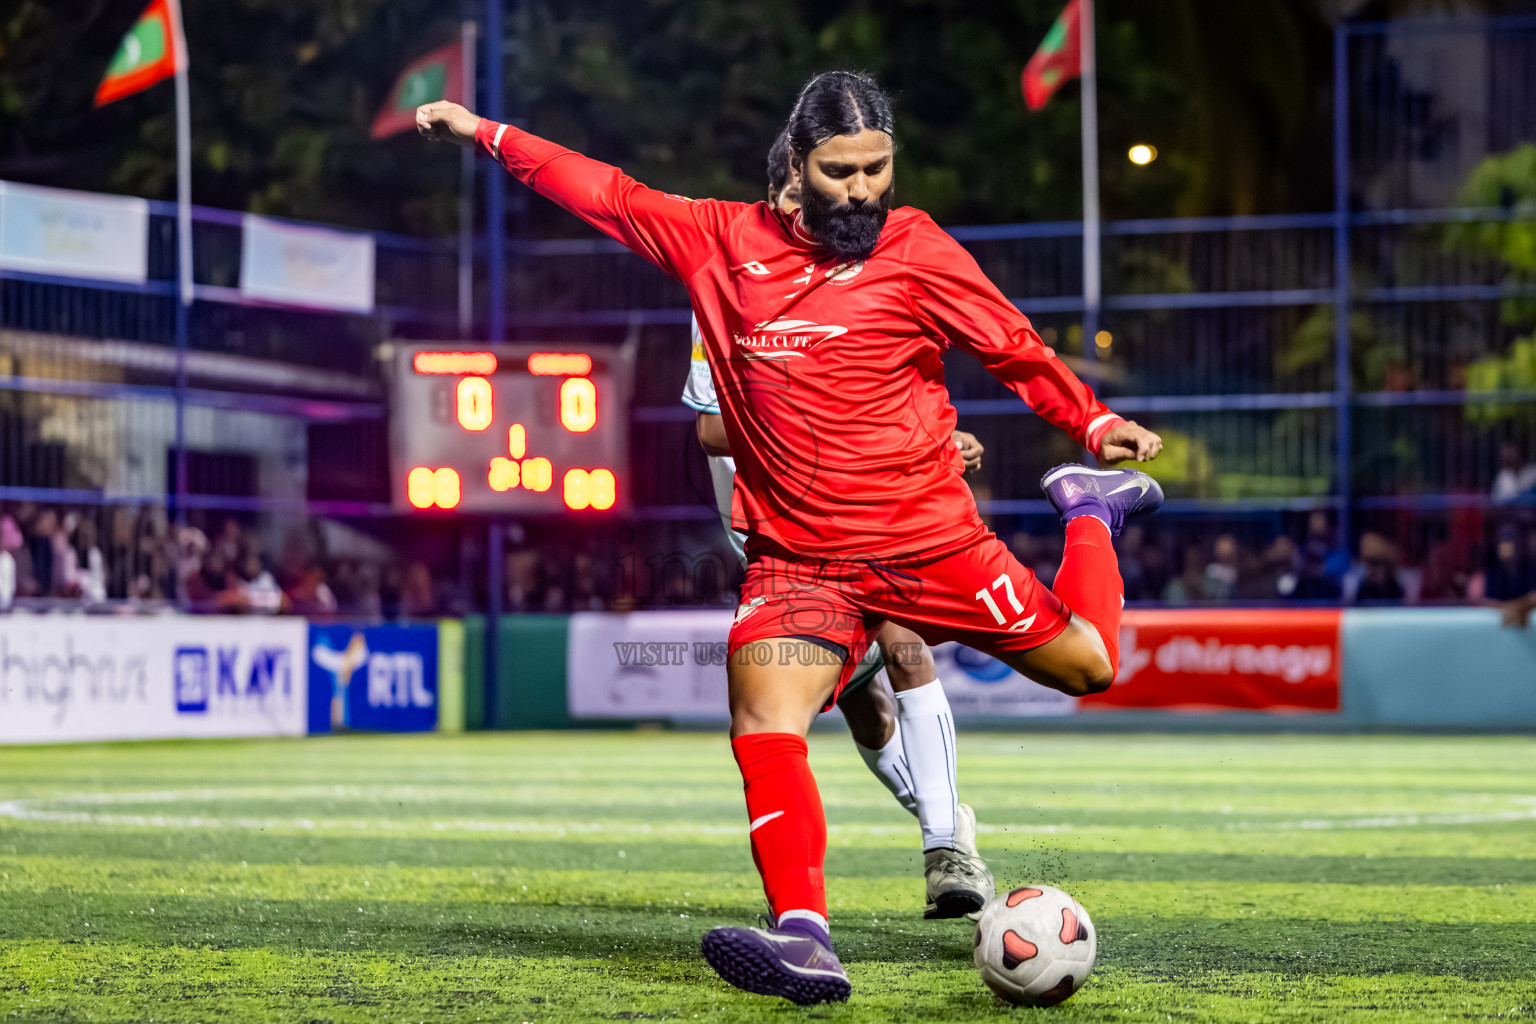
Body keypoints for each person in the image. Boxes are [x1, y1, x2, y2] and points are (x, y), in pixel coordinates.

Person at [418, 69, 1163, 1005]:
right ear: (797, 165)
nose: (862, 189)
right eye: (841, 170)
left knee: (1089, 668)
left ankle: (1089, 507)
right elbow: (599, 187)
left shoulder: (917, 245)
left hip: (931, 542)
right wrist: (484, 131)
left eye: (876, 168)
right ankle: (805, 937)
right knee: (764, 721)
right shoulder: (718, 241)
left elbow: (1010, 345)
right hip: (800, 562)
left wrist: (1092, 424)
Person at [681, 129, 994, 921]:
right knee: (867, 707)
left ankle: (946, 850)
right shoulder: (728, 280)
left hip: (858, 514)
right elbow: (710, 429)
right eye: (803, 199)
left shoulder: (859, 281)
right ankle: (947, 821)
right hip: (773, 531)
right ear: (783, 195)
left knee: (906, 645)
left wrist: (917, 441)